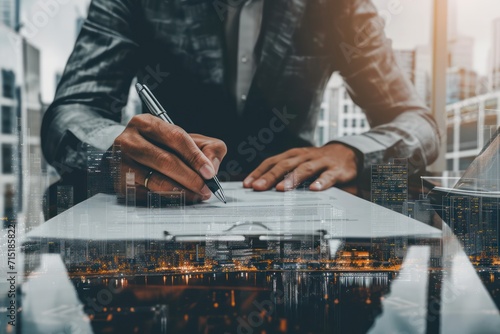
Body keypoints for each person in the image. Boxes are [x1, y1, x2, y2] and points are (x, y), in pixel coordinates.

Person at [41, 0, 440, 205]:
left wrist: (353, 152)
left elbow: (417, 123)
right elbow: (68, 114)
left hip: (293, 219)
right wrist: (117, 150)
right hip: (160, 213)